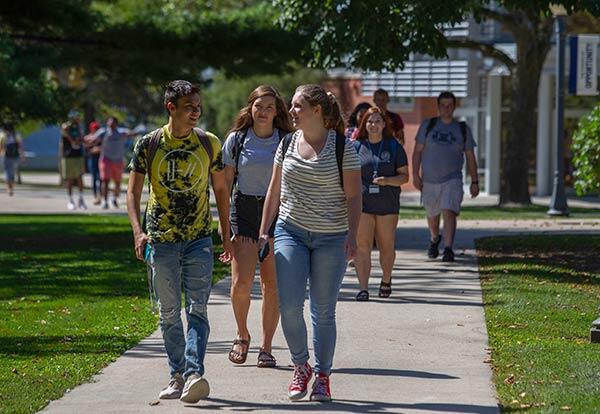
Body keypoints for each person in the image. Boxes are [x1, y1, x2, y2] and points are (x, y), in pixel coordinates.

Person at [126, 80, 232, 404]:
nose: (196, 112)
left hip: (199, 239)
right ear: (171, 107)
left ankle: (194, 374)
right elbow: (132, 192)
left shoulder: (209, 143)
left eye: (198, 106)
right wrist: (137, 232)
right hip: (161, 241)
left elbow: (221, 192)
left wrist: (225, 235)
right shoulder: (149, 144)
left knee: (197, 308)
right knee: (169, 312)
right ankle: (177, 374)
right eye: (190, 107)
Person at [259, 84, 362, 402]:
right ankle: (301, 365)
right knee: (289, 306)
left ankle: (323, 376)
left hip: (331, 237)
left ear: (317, 110)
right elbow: (274, 190)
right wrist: (265, 231)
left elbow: (354, 196)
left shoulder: (344, 148)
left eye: (297, 106)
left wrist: (352, 235)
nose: (290, 111)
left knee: (323, 310)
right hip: (291, 232)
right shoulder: (287, 143)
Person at [222, 85, 293, 368]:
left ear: (277, 112)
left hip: (278, 211)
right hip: (244, 211)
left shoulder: (287, 140)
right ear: (249, 108)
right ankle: (242, 335)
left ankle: (266, 346)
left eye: (269, 107)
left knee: (271, 285)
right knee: (241, 284)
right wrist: (223, 221)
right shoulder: (237, 140)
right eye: (258, 106)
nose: (263, 112)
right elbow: (226, 184)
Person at [412, 91, 479, 262]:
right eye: (443, 105)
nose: (446, 108)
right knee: (432, 215)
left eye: (450, 105)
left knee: (449, 211)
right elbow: (417, 152)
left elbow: (470, 156)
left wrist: (475, 181)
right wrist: (415, 175)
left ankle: (448, 248)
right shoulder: (428, 126)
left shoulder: (462, 129)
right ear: (438, 106)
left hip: (453, 178)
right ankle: (435, 238)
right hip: (429, 180)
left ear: (454, 107)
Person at [353, 107, 409, 301]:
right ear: (364, 125)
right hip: (363, 205)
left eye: (377, 121)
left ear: (384, 124)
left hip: (387, 205)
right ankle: (363, 288)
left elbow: (404, 177)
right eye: (370, 121)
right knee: (362, 246)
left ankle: (386, 279)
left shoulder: (394, 147)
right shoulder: (356, 147)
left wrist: (387, 181)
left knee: (386, 246)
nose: (373, 125)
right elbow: (348, 176)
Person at [94, 116, 134, 209]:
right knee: (105, 180)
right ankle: (105, 201)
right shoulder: (103, 132)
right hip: (106, 159)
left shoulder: (121, 132)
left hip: (118, 160)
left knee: (117, 182)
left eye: (113, 123)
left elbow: (130, 133)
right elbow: (93, 138)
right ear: (107, 123)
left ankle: (114, 199)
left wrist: (132, 134)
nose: (111, 124)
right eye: (109, 122)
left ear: (116, 123)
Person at [60, 110, 86, 210]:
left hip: (78, 155)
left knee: (79, 177)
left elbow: (81, 138)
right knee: (70, 179)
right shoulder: (66, 126)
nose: (78, 119)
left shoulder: (79, 127)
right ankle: (71, 201)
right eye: (77, 117)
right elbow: (65, 133)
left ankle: (81, 199)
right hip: (68, 156)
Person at [0, 125, 23, 196]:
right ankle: (11, 188)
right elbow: (20, 146)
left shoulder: (2, 136)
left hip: (5, 156)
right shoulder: (17, 135)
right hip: (15, 157)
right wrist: (22, 155)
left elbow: (0, 146)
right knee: (12, 173)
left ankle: (9, 189)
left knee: (7, 172)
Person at [84, 120, 102, 205]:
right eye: (94, 128)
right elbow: (86, 149)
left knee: (101, 178)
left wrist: (96, 149)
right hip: (92, 159)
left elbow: (102, 148)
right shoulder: (88, 137)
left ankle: (100, 196)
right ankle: (95, 195)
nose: (95, 130)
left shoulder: (101, 137)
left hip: (100, 158)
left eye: (97, 128)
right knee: (94, 178)